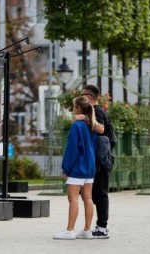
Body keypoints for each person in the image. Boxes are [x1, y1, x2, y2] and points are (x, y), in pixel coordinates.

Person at [53, 95, 98, 240]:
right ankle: (87, 230)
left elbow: (72, 149)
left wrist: (66, 167)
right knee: (88, 198)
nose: (73, 109)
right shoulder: (91, 125)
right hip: (90, 167)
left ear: (78, 108)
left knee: (73, 198)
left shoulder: (76, 126)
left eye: (73, 107)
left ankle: (70, 231)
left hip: (78, 168)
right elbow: (94, 146)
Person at [82, 84, 116, 239]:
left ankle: (102, 227)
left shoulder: (97, 112)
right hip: (101, 161)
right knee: (97, 194)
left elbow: (101, 129)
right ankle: (100, 226)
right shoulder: (100, 111)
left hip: (100, 162)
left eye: (82, 95)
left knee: (100, 195)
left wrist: (84, 118)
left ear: (88, 97)